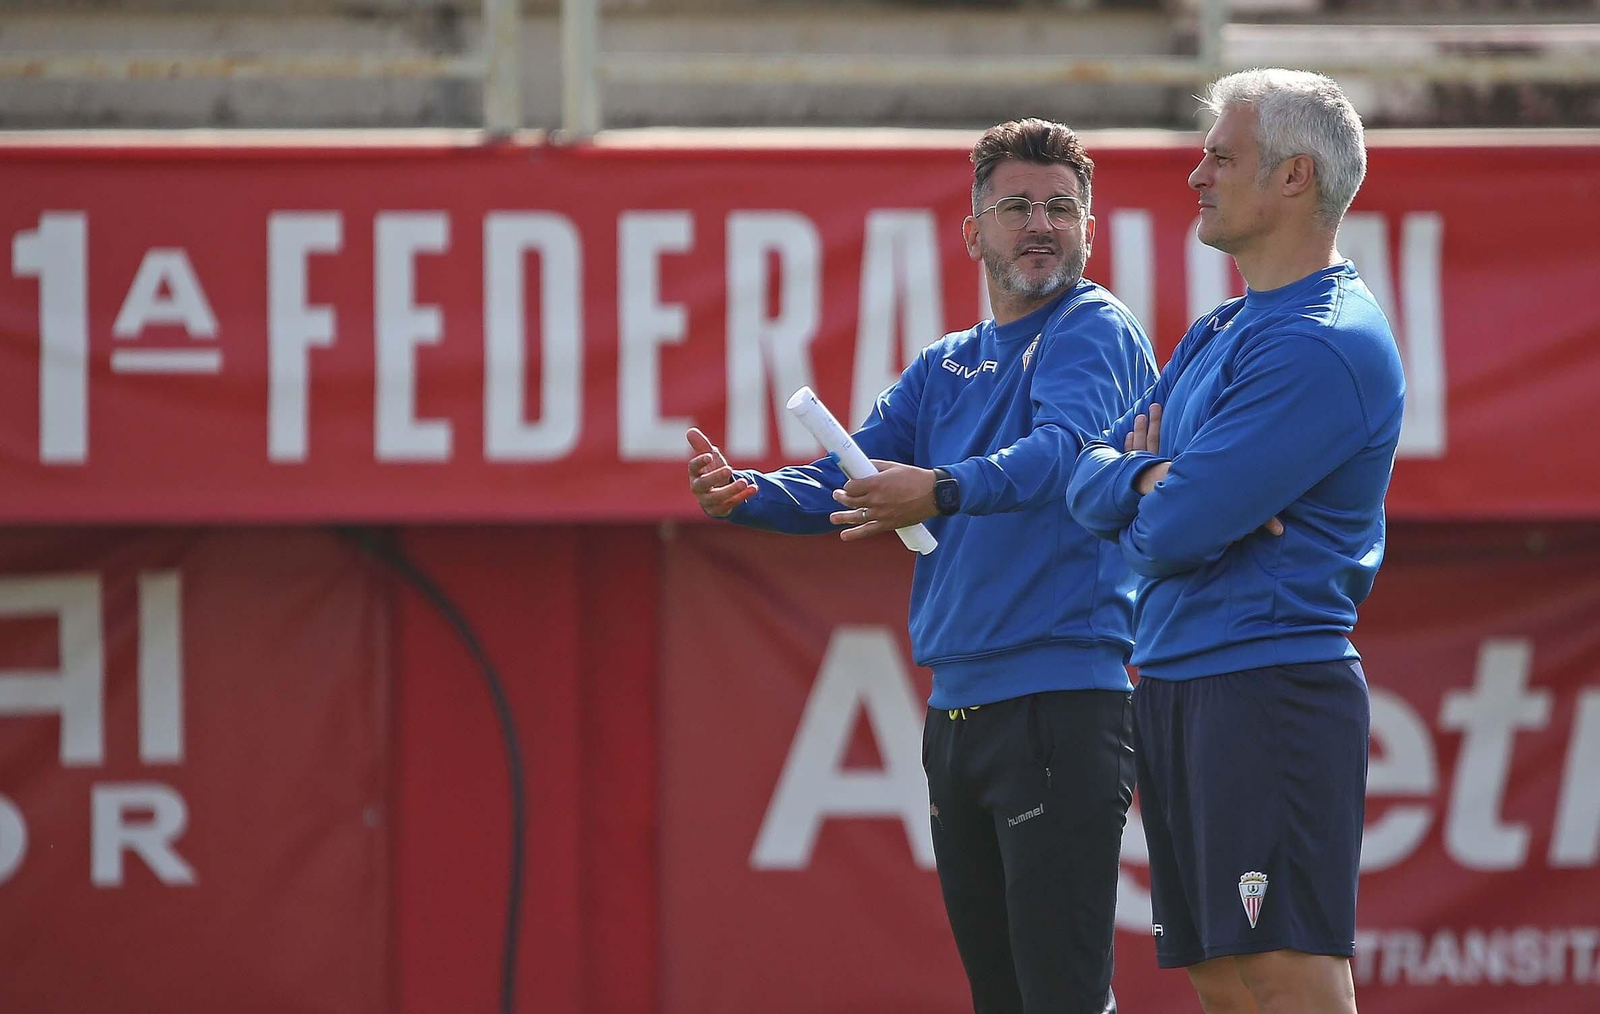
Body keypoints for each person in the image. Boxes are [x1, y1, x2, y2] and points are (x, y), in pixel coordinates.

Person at [686, 119, 1155, 1013]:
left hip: (1060, 701)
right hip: (959, 713)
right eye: (1016, 206)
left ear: (1090, 231)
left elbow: (1067, 455)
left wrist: (937, 490)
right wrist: (749, 493)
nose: (1042, 224)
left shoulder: (1093, 327)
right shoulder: (945, 364)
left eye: (1063, 207)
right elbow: (848, 474)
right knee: (1003, 998)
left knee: (1061, 997)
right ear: (973, 232)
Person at [1066, 70, 1405, 1014]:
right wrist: (1150, 475)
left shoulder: (1321, 341)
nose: (1196, 175)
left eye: (1222, 155)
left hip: (1268, 683)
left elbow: (1167, 533)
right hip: (1178, 677)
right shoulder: (1224, 327)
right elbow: (1088, 482)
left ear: (1295, 177)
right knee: (1223, 976)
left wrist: (1162, 492)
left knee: (1281, 973)